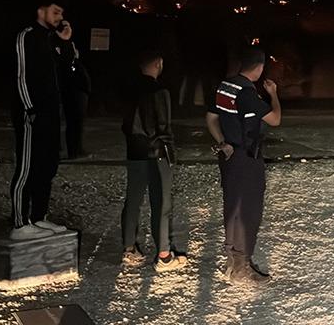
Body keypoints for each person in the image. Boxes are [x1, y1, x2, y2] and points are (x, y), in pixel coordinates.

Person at [205, 48, 282, 285]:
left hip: (229, 155)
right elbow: (275, 119)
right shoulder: (248, 93)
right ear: (259, 68)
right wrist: (273, 94)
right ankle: (242, 267)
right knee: (249, 211)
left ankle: (233, 263)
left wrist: (222, 142)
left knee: (232, 208)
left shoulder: (225, 86)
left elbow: (211, 119)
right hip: (247, 157)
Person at [9, 0, 76, 240]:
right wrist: (29, 108)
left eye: (61, 12)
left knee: (47, 166)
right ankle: (19, 222)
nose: (59, 17)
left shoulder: (51, 40)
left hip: (51, 113)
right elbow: (21, 74)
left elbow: (67, 69)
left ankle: (39, 217)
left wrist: (66, 43)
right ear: (41, 10)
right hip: (32, 113)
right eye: (55, 11)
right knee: (27, 166)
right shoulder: (26, 36)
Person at [121, 51, 186, 272]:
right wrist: (171, 155)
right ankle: (164, 255)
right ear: (158, 63)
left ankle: (129, 248)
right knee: (161, 204)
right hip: (155, 152)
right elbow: (163, 127)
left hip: (134, 151)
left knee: (133, 200)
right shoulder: (159, 91)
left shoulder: (129, 89)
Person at [61, 43, 91, 159]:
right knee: (75, 125)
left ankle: (77, 149)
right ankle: (73, 151)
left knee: (77, 125)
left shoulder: (74, 64)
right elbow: (80, 79)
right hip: (76, 98)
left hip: (78, 97)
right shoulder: (71, 64)